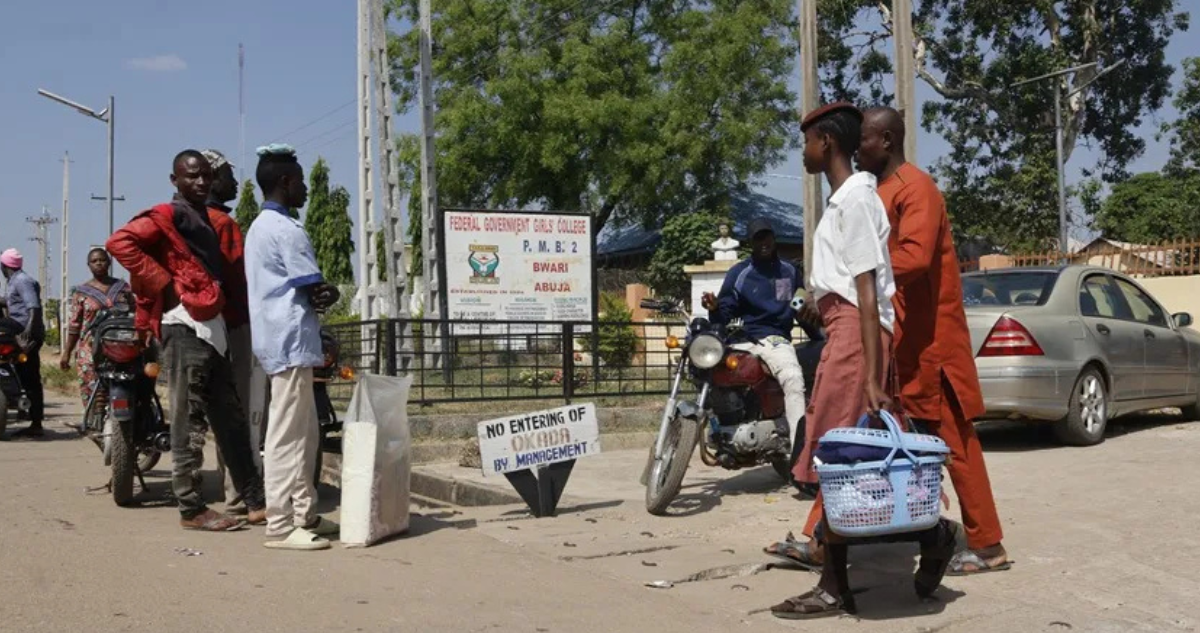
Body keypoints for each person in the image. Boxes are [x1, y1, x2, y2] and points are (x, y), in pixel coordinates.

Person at [856, 106, 1010, 575]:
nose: (857, 146)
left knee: (954, 445)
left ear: (885, 139)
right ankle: (831, 540)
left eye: (863, 138)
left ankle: (987, 546)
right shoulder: (879, 191)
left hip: (932, 347)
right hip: (899, 344)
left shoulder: (915, 189)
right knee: (870, 438)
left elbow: (916, 258)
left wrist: (855, 275)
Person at [768, 102, 896, 618]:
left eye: (807, 142)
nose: (803, 153)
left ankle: (832, 586)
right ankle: (932, 535)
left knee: (839, 460)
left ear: (828, 144)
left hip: (856, 334)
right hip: (844, 330)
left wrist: (869, 372)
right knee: (857, 459)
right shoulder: (844, 201)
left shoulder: (856, 202)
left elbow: (867, 293)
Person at [106, 149, 266, 531]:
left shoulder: (205, 218)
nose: (200, 182)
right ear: (174, 179)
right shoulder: (170, 213)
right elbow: (119, 243)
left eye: (205, 176)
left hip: (212, 328)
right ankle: (191, 508)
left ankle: (257, 501)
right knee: (188, 421)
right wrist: (165, 281)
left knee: (230, 419)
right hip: (183, 328)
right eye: (191, 176)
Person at [244, 144, 341, 550]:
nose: (305, 189)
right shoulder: (286, 229)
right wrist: (328, 291)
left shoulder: (258, 227)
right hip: (289, 342)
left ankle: (306, 513)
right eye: (300, 182)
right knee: (287, 435)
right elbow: (312, 285)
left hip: (282, 341)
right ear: (285, 182)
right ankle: (281, 526)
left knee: (305, 433)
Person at [701, 219, 808, 453]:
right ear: (750, 243)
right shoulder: (739, 273)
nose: (763, 243)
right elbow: (725, 311)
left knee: (793, 379)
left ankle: (800, 452)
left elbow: (799, 307)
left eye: (766, 236)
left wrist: (817, 334)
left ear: (774, 237)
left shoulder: (791, 272)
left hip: (776, 340)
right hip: (743, 339)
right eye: (758, 239)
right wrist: (714, 307)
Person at [201, 148, 253, 516]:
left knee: (207, 408)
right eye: (229, 175)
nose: (236, 182)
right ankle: (238, 492)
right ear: (213, 179)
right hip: (230, 324)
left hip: (193, 328)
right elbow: (238, 281)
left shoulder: (181, 219)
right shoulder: (223, 225)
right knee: (239, 411)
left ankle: (198, 495)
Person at [59, 248, 135, 418]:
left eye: (102, 260)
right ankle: (95, 417)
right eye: (94, 261)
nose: (99, 263)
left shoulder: (122, 287)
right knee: (91, 381)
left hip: (120, 343)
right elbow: (74, 326)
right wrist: (66, 353)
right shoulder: (81, 292)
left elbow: (135, 312)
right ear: (88, 265)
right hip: (91, 345)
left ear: (109, 262)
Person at [1, 249, 46, 439]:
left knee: (30, 378)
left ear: (4, 266)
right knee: (23, 375)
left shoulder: (22, 281)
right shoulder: (13, 281)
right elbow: (13, 303)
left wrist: (27, 333)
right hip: (18, 328)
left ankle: (36, 424)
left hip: (25, 330)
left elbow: (33, 307)